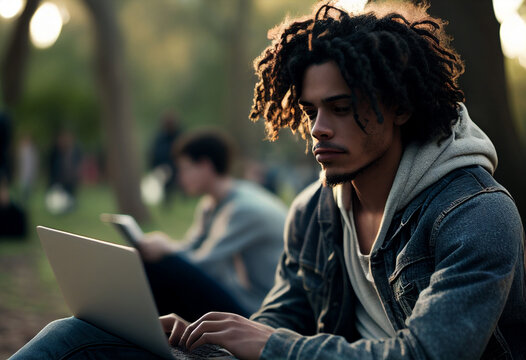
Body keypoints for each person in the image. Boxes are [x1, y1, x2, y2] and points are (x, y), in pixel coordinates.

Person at [10, 1, 526, 359]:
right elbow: (282, 315)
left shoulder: (476, 215)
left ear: (400, 107)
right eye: (311, 110)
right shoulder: (314, 210)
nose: (318, 128)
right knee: (77, 335)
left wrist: (273, 347)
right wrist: (205, 341)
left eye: (341, 109)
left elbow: (430, 354)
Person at [139, 129, 288, 320]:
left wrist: (166, 249)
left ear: (205, 166)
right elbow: (191, 249)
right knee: (158, 263)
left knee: (161, 267)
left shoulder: (243, 208)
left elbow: (204, 264)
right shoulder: (210, 204)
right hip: (238, 293)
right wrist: (163, 247)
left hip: (261, 309)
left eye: (185, 169)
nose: (180, 178)